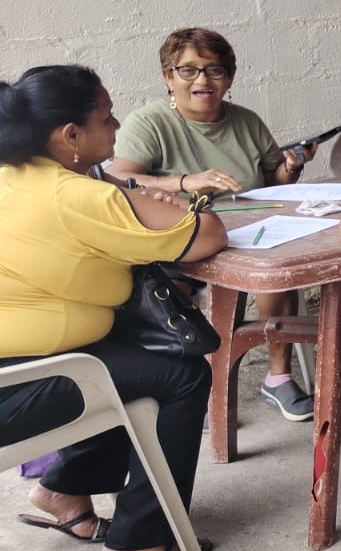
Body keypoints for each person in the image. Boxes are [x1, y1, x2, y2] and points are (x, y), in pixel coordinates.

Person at [1, 65, 228, 551]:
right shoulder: (75, 196)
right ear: (70, 135)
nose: (117, 124)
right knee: (183, 373)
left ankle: (65, 489)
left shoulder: (15, 176)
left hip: (22, 364)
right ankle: (139, 541)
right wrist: (148, 200)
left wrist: (130, 196)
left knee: (130, 361)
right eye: (106, 117)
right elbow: (208, 233)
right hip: (13, 386)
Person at [109, 28, 317, 421]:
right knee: (174, 290)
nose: (202, 80)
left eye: (214, 70)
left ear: (229, 77)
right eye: (188, 70)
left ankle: (278, 377)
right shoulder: (150, 123)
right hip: (183, 241)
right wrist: (185, 182)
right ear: (168, 76)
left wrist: (291, 165)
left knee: (279, 272)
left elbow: (273, 181)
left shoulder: (246, 121)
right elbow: (119, 178)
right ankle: (197, 385)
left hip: (249, 232)